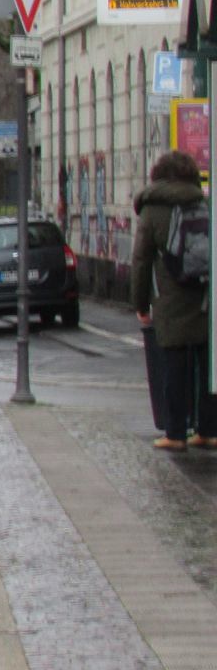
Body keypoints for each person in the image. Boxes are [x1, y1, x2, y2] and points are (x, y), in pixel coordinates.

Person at [130, 150, 215, 451]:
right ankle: (208, 431)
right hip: (205, 298)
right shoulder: (204, 203)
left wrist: (141, 305)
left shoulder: (153, 210)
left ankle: (176, 434)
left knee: (174, 366)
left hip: (169, 299)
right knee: (208, 367)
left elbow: (141, 261)